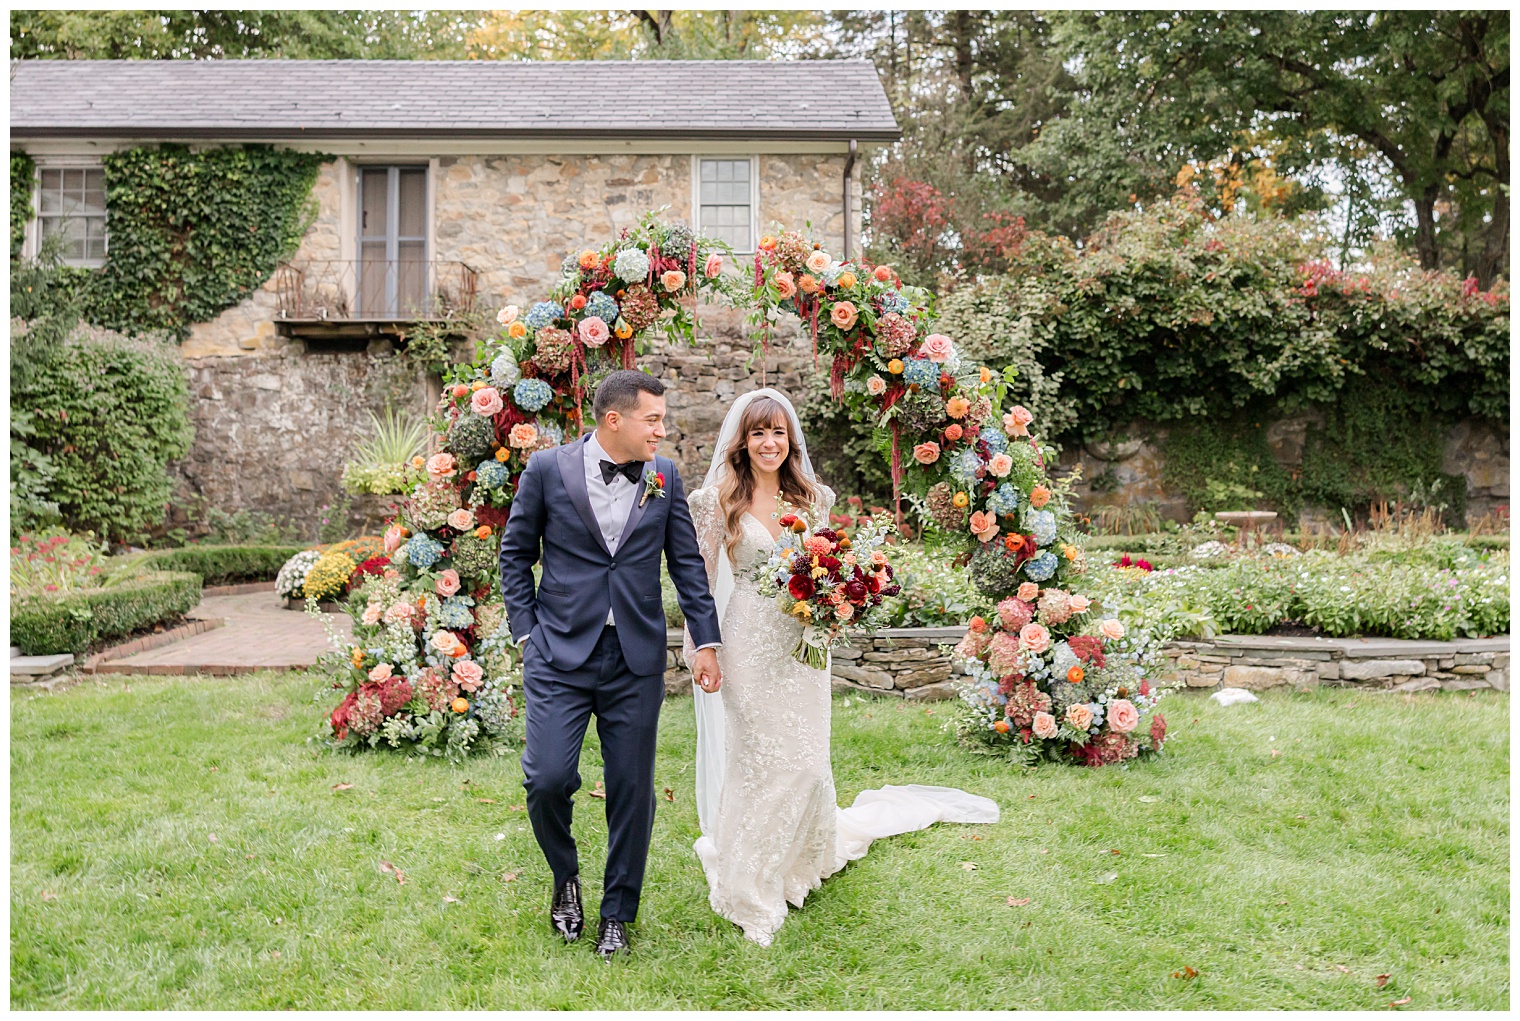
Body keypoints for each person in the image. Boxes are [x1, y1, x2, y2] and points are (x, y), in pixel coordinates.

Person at [684, 388, 998, 947]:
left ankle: (796, 861)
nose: (769, 443)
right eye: (758, 432)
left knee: (806, 760)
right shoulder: (714, 501)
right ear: (742, 440)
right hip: (746, 641)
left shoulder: (813, 501)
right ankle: (749, 882)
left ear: (791, 439)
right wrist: (700, 647)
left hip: (805, 645)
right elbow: (700, 582)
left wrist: (839, 601)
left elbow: (828, 565)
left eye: (778, 432)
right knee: (758, 755)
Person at [499, 369, 723, 962]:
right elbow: (515, 555)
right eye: (653, 419)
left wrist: (705, 641)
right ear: (613, 419)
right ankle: (565, 876)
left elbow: (688, 566)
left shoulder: (665, 476)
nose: (662, 430)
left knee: (632, 790)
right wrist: (527, 634)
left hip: (635, 659)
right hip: (558, 656)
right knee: (546, 779)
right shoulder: (548, 470)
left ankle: (617, 914)